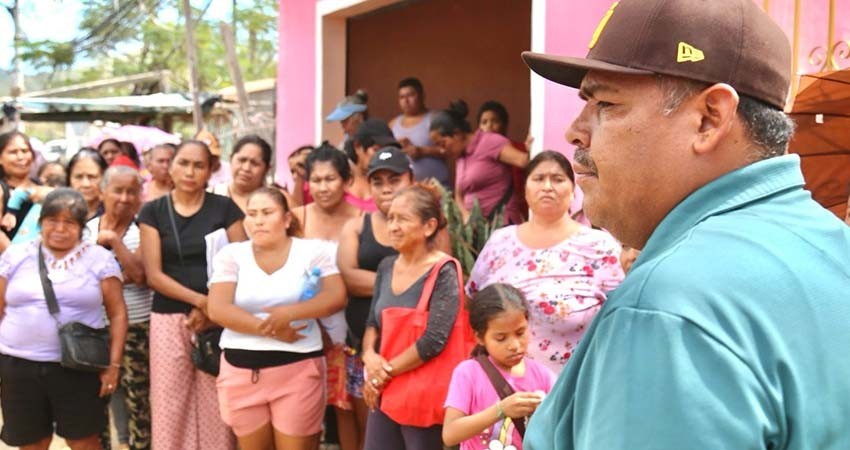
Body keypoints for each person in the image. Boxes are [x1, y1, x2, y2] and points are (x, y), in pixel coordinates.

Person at [521, 0, 850, 449]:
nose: (575, 132)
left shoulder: (667, 306)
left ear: (709, 118)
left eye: (606, 103)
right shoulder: (830, 243)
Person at [208, 187, 346, 450]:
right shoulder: (231, 255)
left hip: (298, 368)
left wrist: (290, 313)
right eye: (252, 214)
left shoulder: (311, 251)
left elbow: (336, 296)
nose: (258, 220)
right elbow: (218, 309)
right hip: (241, 370)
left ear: (286, 219)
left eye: (267, 213)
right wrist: (271, 329)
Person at [466, 151, 623, 374]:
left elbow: (621, 315)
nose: (547, 186)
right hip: (503, 392)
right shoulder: (499, 242)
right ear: (525, 189)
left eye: (557, 179)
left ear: (573, 190)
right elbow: (473, 302)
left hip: (572, 386)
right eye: (538, 179)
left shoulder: (599, 246)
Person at [138, 140, 247, 450]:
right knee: (169, 400)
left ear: (210, 170)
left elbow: (242, 262)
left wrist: (215, 309)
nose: (190, 171)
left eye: (199, 165)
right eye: (183, 163)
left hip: (220, 319)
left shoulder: (225, 208)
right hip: (169, 317)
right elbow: (154, 275)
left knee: (216, 398)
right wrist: (201, 302)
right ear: (170, 166)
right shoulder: (153, 211)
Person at [0, 188, 127, 450]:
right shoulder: (15, 256)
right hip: (17, 365)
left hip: (78, 367)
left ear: (82, 227)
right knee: (32, 442)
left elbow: (117, 313)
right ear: (40, 222)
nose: (59, 228)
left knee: (83, 441)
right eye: (52, 220)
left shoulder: (100, 259)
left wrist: (113, 365)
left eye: (69, 222)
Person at [361, 183, 460, 450]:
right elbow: (373, 322)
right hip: (384, 389)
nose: (392, 226)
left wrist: (382, 375)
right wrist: (369, 357)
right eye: (390, 218)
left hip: (421, 395)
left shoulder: (444, 270)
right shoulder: (386, 266)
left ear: (428, 226)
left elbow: (433, 341)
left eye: (402, 219)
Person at [337, 147, 415, 448]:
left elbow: (435, 282)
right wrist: (408, 283)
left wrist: (412, 284)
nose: (386, 187)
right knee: (369, 427)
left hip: (414, 351)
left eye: (394, 179)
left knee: (412, 430)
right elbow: (349, 278)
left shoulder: (431, 225)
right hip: (364, 350)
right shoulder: (356, 225)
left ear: (410, 179)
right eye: (378, 181)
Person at [292, 143, 361, 450]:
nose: (322, 187)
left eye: (330, 179)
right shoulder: (296, 218)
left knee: (347, 406)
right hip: (304, 324)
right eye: (316, 180)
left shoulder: (362, 218)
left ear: (347, 181)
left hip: (352, 326)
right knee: (304, 408)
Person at [443, 284, 556, 450]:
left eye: (520, 333)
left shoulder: (543, 375)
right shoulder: (468, 373)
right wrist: (500, 410)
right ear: (480, 337)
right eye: (501, 338)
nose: (514, 345)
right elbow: (450, 434)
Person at [86, 166, 152, 450]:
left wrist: (114, 241)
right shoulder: (85, 230)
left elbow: (141, 276)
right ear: (102, 192)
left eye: (132, 192)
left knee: (139, 401)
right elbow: (79, 281)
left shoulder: (145, 231)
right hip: (93, 328)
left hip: (139, 327)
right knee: (94, 400)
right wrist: (118, 278)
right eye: (118, 190)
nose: (125, 198)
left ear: (140, 197)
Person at [431, 100, 528, 224]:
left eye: (442, 143)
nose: (442, 150)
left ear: (457, 134)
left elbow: (524, 161)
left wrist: (532, 145)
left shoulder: (490, 141)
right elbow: (459, 194)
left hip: (501, 224)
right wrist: (466, 215)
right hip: (476, 231)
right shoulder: (460, 157)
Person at [476, 101, 533, 222]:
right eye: (484, 122)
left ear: (504, 125)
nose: (489, 126)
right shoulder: (475, 157)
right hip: (485, 218)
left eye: (495, 121)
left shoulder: (519, 150)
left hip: (519, 214)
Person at [389, 78, 450, 188]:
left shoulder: (435, 118)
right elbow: (384, 156)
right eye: (402, 97)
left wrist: (423, 151)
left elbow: (450, 150)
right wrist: (395, 146)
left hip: (437, 189)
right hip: (405, 191)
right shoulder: (392, 124)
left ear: (422, 95)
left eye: (410, 95)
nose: (406, 101)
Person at [0, 131, 49, 249]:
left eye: (25, 151)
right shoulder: (1, 189)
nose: (21, 157)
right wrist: (19, 261)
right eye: (13, 152)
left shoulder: (42, 186)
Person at [344, 119, 400, 213]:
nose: (382, 156)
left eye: (387, 151)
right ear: (358, 147)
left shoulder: (395, 184)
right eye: (376, 150)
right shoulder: (340, 180)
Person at [209, 135, 275, 212]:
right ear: (230, 159)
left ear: (267, 169)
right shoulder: (212, 195)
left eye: (254, 163)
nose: (246, 168)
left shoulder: (277, 200)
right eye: (242, 160)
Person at [67, 148, 108, 221]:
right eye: (78, 177)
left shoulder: (112, 214)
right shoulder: (61, 212)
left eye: (92, 177)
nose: (85, 184)